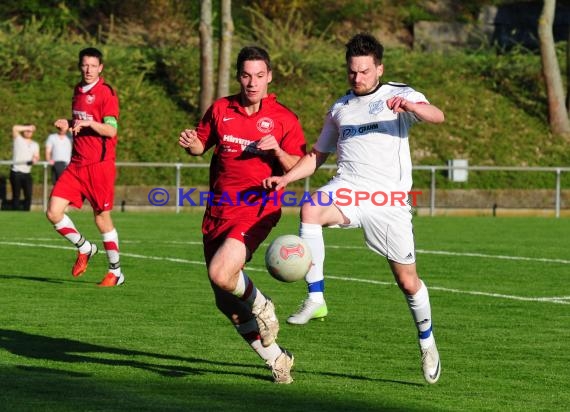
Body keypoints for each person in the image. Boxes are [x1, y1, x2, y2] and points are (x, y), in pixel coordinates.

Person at [262, 33, 445, 384]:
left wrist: (411, 108)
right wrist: (286, 179)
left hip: (388, 202)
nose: (357, 78)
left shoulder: (399, 94)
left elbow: (437, 116)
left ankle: (427, 342)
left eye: (363, 71)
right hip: (349, 188)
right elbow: (317, 156)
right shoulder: (340, 108)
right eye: (351, 72)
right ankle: (316, 297)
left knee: (408, 283)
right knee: (310, 208)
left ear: (379, 68)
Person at [178, 46, 306, 384]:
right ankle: (278, 358)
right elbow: (199, 145)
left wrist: (277, 150)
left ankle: (264, 304)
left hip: (257, 207)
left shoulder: (284, 119)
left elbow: (300, 167)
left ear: (270, 77)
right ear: (239, 76)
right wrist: (190, 141)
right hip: (218, 210)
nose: (252, 82)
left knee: (222, 273)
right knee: (227, 304)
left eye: (259, 76)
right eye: (246, 75)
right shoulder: (221, 108)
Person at [46, 47, 124, 287]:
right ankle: (85, 247)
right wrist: (67, 123)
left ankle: (116, 272)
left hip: (99, 166)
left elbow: (111, 130)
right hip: (76, 164)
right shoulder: (77, 90)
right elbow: (79, 123)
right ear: (80, 66)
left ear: (100, 68)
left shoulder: (106, 93)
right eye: (85, 65)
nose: (88, 70)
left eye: (93, 65)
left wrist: (89, 122)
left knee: (101, 219)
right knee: (53, 212)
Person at [10, 124, 40, 211]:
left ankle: (26, 212)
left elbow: (36, 156)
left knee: (28, 195)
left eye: (30, 131)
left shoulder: (35, 144)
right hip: (16, 171)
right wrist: (28, 127)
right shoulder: (18, 139)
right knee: (16, 195)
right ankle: (14, 213)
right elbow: (14, 128)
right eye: (27, 130)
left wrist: (35, 159)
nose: (28, 132)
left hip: (27, 173)